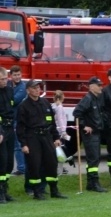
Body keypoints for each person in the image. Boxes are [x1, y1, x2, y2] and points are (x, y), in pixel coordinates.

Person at [16, 80, 67, 200]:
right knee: (35, 165)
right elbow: (20, 127)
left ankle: (54, 190)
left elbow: (52, 122)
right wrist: (23, 144)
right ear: (28, 90)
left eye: (38, 87)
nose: (37, 90)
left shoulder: (45, 103)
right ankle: (37, 192)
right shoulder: (23, 106)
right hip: (32, 138)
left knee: (51, 164)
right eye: (34, 88)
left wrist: (56, 137)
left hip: (47, 137)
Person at [73, 77, 107, 192]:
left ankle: (91, 183)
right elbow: (77, 113)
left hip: (97, 132)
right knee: (93, 158)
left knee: (95, 158)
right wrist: (84, 126)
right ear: (92, 87)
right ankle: (94, 183)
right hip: (90, 134)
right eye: (99, 85)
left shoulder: (96, 98)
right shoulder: (88, 99)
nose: (101, 87)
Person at [0, 67, 16, 202]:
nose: (4, 81)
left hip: (10, 128)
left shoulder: (10, 90)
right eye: (2, 79)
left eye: (6, 78)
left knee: (10, 162)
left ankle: (5, 190)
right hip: (1, 130)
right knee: (2, 160)